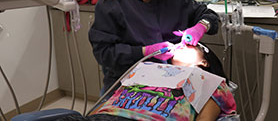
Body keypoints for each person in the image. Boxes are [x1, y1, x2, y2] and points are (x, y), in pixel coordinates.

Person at [88, 0, 219, 95]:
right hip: (128, 84)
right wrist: (144, 52)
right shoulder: (112, 4)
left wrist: (200, 27)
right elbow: (105, 54)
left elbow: (209, 15)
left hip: (174, 82)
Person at [57, 43, 237, 121]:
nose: (181, 44)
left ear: (204, 61)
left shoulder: (212, 81)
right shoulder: (148, 69)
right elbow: (112, 100)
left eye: (190, 45)